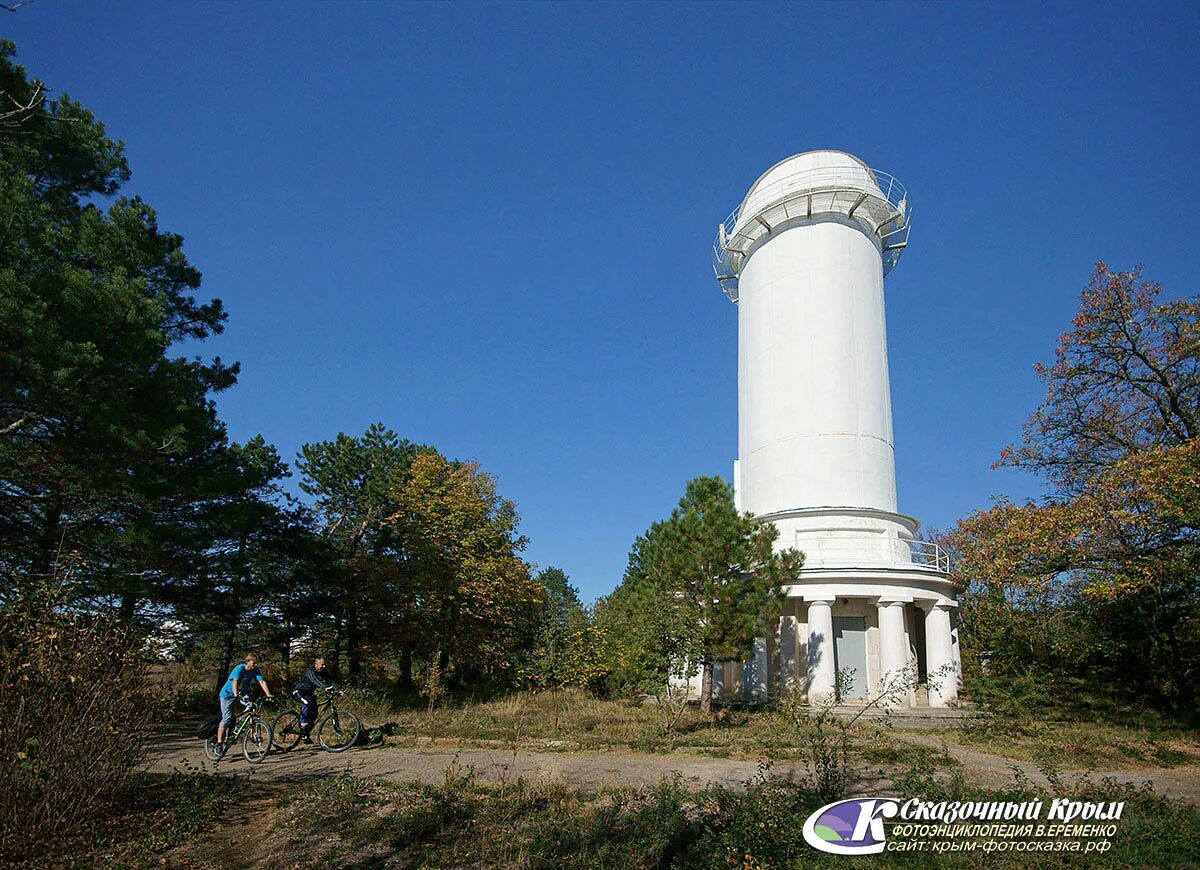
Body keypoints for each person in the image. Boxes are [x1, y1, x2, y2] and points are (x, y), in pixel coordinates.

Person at [216, 653, 274, 753]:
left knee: (252, 707)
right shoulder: (239, 669)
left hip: (242, 694)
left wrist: (269, 695)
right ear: (247, 662)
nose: (255, 665)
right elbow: (235, 682)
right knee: (226, 718)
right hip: (227, 695)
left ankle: (237, 728)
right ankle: (219, 743)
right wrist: (235, 694)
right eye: (253, 663)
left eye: (256, 663)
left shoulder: (255, 671)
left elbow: (262, 682)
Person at [292, 656, 335, 743]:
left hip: (309, 694)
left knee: (314, 715)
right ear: (316, 664)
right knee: (307, 702)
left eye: (324, 665)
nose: (324, 667)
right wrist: (325, 688)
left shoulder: (323, 672)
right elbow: (315, 680)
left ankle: (305, 735)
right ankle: (303, 723)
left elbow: (330, 681)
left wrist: (337, 690)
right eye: (322, 665)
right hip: (299, 692)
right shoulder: (310, 671)